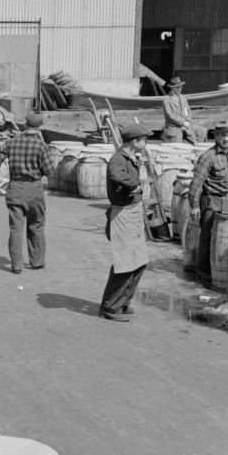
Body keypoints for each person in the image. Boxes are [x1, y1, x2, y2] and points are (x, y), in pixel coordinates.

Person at [99, 123, 151, 321]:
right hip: (123, 215)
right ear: (135, 142)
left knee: (139, 263)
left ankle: (123, 301)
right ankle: (111, 307)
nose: (146, 143)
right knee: (125, 264)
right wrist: (135, 184)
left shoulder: (130, 158)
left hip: (133, 213)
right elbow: (115, 174)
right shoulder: (118, 159)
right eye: (144, 140)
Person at [187, 121, 228, 284]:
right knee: (207, 236)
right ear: (216, 136)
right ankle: (203, 272)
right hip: (211, 200)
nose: (226, 139)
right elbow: (196, 183)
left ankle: (217, 268)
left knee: (222, 237)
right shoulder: (208, 157)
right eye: (223, 135)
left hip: (227, 199)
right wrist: (194, 206)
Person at [0, 111, 53, 274]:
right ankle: (36, 260)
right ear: (40, 127)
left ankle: (16, 264)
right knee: (36, 225)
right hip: (34, 188)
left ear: (25, 124)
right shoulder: (41, 145)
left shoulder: (11, 142)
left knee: (15, 228)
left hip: (15, 186)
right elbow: (50, 170)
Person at [161, 77, 195, 143]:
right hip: (174, 129)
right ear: (172, 88)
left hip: (186, 128)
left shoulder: (183, 98)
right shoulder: (166, 100)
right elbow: (170, 115)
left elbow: (188, 111)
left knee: (199, 133)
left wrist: (187, 121)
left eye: (181, 87)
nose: (180, 89)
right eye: (177, 87)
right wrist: (183, 122)